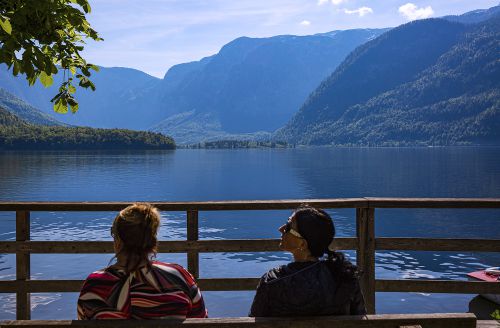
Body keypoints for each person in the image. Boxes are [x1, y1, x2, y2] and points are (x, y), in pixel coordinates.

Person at [77, 203, 207, 319]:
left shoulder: (95, 285)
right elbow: (201, 320)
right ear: (152, 242)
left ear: (118, 241)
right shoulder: (179, 278)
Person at [249, 206, 366, 317]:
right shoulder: (345, 278)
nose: (281, 229)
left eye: (288, 227)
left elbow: (252, 322)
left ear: (302, 244)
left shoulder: (272, 281)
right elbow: (361, 320)